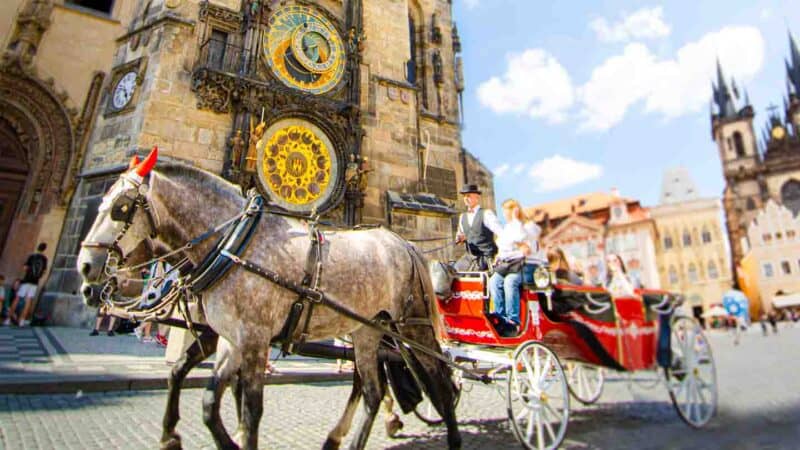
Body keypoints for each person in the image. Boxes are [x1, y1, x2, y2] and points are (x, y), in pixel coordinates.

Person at [489, 199, 535, 336]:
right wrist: (499, 256)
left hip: (524, 265)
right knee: (494, 281)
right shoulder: (508, 227)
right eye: (504, 211)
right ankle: (500, 317)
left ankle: (513, 321)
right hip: (508, 265)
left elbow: (527, 249)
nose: (505, 214)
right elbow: (503, 247)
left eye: (508, 210)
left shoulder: (524, 226)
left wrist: (516, 221)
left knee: (510, 282)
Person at [454, 184, 502, 271]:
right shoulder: (462, 217)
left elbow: (501, 233)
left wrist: (500, 253)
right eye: (464, 196)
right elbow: (460, 235)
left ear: (477, 197)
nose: (465, 198)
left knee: (472, 275)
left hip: (486, 256)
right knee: (453, 272)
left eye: (468, 196)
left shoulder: (486, 214)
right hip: (470, 256)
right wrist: (459, 239)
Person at [8, 242, 48, 327]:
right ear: (45, 249)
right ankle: (22, 320)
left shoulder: (32, 256)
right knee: (29, 301)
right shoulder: (44, 259)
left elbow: (25, 268)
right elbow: (44, 271)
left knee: (17, 298)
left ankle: (8, 319)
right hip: (35, 282)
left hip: (26, 280)